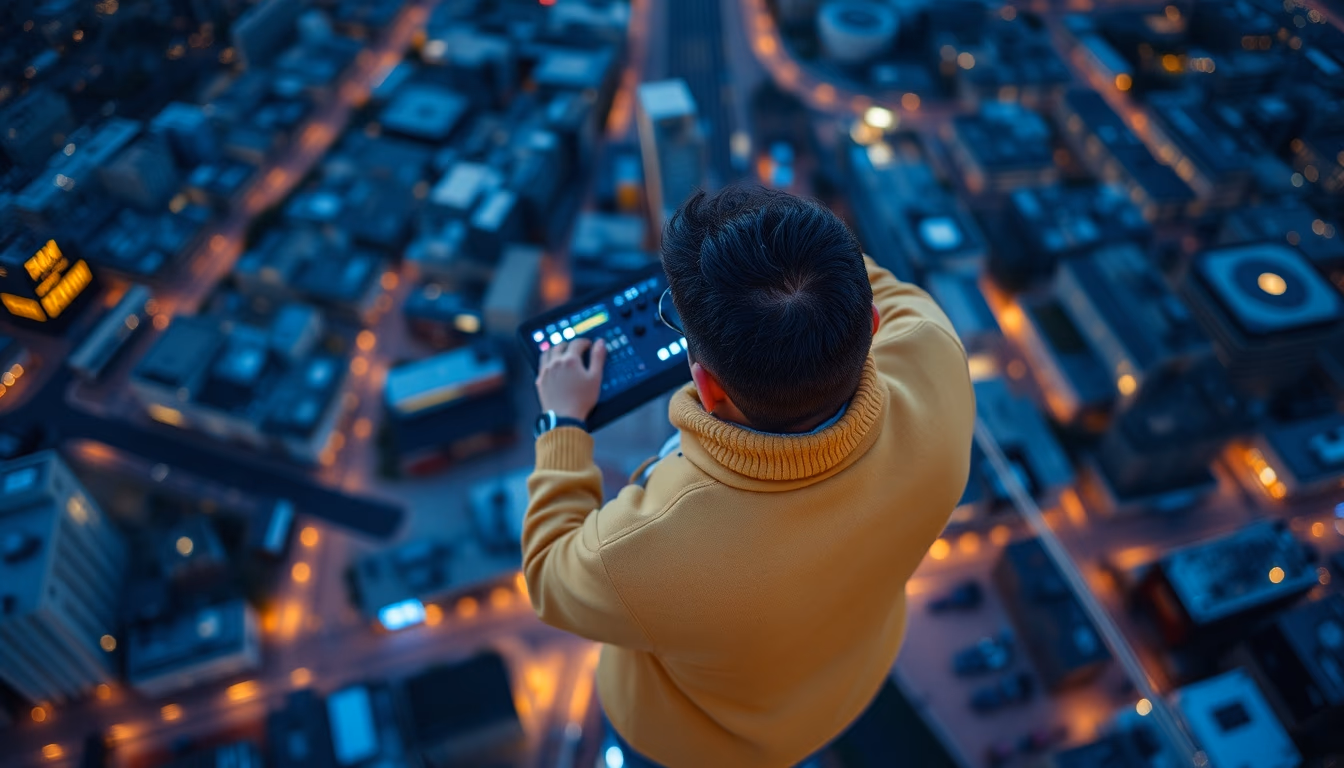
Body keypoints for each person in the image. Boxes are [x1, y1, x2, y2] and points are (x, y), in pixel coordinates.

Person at [524, 187, 975, 767]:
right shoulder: (934, 354)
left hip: (700, 748)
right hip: (850, 685)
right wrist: (784, 257)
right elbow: (867, 285)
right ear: (871, 326)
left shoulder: (643, 552)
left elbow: (547, 574)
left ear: (706, 388)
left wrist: (561, 422)